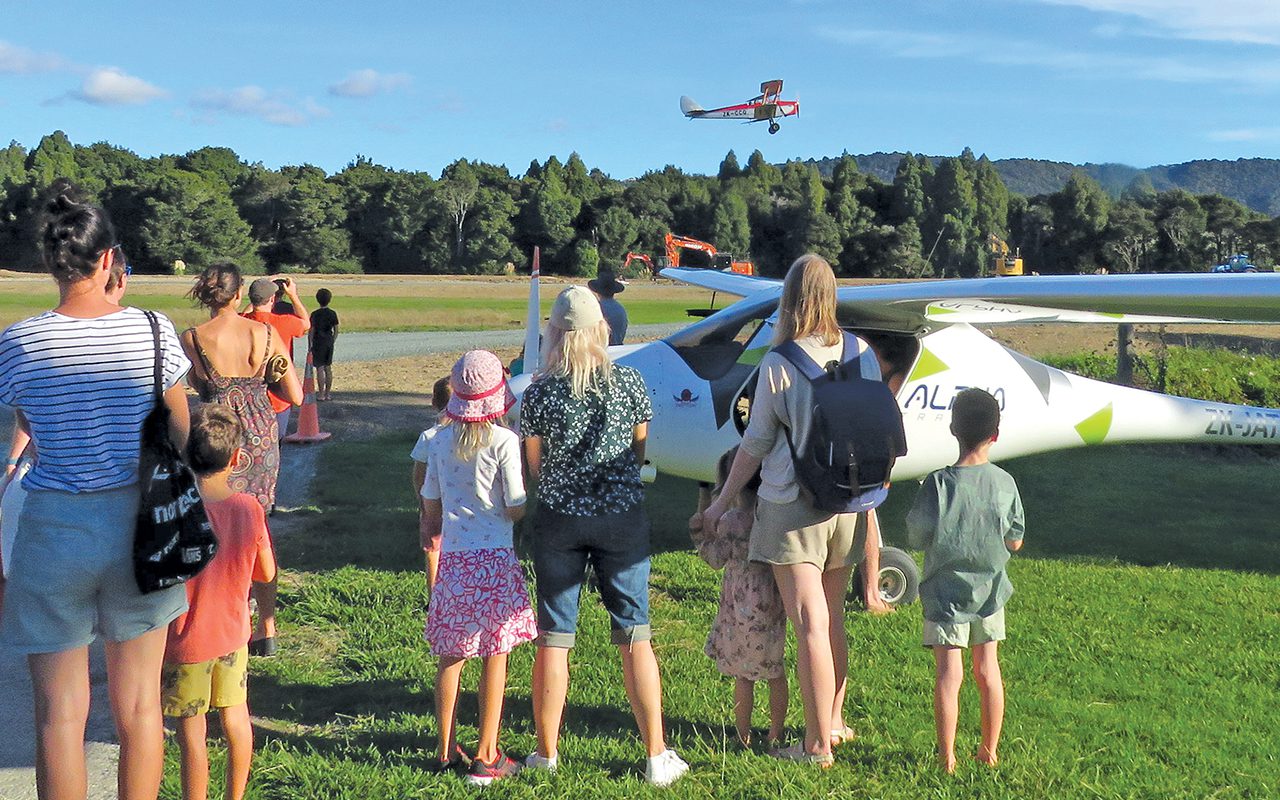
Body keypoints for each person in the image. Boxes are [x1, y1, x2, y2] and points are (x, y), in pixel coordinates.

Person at [0, 191, 191, 800]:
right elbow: (182, 432)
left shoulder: (19, 341)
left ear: (51, 264)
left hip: (53, 523)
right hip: (140, 523)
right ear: (109, 259)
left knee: (59, 714)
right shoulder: (152, 330)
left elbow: (29, 422)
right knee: (139, 708)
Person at [701, 254, 892, 767]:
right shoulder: (863, 353)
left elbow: (757, 442)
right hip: (850, 501)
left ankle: (813, 745)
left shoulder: (781, 362)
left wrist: (721, 502)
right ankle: (832, 720)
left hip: (792, 505)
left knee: (808, 620)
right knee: (831, 620)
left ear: (789, 298)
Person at [520, 285, 688, 787]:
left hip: (558, 519)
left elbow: (534, 465)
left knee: (554, 636)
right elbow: (639, 449)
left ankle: (546, 753)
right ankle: (656, 754)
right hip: (621, 517)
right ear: (603, 329)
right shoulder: (630, 383)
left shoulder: (539, 392)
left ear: (553, 333)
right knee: (635, 633)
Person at [420, 350, 536, 786]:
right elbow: (516, 504)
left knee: (451, 657)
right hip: (495, 559)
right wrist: (516, 512)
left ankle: (445, 749)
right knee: (495, 655)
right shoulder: (505, 441)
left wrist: (435, 527)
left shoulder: (437, 442)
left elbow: (430, 504)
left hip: (453, 561)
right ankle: (487, 753)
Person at [181, 264, 301, 657]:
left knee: (213, 528)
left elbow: (199, 385)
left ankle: (219, 615)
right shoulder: (265, 334)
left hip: (217, 433)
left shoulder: (194, 338)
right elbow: (295, 395)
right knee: (257, 531)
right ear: (237, 296)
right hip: (261, 436)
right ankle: (266, 625)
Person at [906, 388, 1024, 774]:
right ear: (997, 434)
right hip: (991, 592)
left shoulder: (938, 484)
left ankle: (947, 758)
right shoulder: (1005, 483)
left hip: (944, 594)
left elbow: (917, 538)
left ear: (953, 428)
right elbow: (1016, 539)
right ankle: (989, 751)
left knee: (948, 675)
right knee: (988, 670)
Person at [163, 405, 276, 800]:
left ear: (184, 454)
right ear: (236, 458)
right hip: (232, 636)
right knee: (236, 717)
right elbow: (265, 572)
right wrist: (267, 622)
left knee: (191, 731)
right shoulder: (249, 509)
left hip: (183, 641)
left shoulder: (175, 511)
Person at [689, 448, 787, 749]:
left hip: (739, 600)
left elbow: (716, 558)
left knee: (743, 676)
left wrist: (698, 535)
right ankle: (775, 733)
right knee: (775, 671)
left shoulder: (730, 521)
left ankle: (742, 734)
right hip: (772, 595)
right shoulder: (772, 516)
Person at [242, 276, 309, 437]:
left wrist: (261, 290)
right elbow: (306, 323)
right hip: (278, 396)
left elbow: (245, 312)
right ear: (273, 298)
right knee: (275, 447)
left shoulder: (241, 320)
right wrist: (293, 295)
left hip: (247, 396)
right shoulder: (283, 322)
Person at [410, 377, 452, 590]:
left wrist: (421, 500)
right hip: (459, 501)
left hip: (432, 501)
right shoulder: (462, 436)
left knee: (432, 549)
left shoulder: (428, 436)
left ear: (433, 402)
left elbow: (418, 474)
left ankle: (434, 596)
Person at [309, 288, 340, 401]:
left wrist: (310, 344)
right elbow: (336, 329)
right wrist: (333, 340)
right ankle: (328, 393)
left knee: (320, 368)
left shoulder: (315, 314)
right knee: (328, 367)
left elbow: (311, 331)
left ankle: (321, 393)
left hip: (318, 342)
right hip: (328, 341)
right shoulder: (332, 313)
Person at [588, 268, 628, 346]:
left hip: (601, 350)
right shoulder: (620, 309)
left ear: (597, 291)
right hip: (618, 349)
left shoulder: (596, 309)